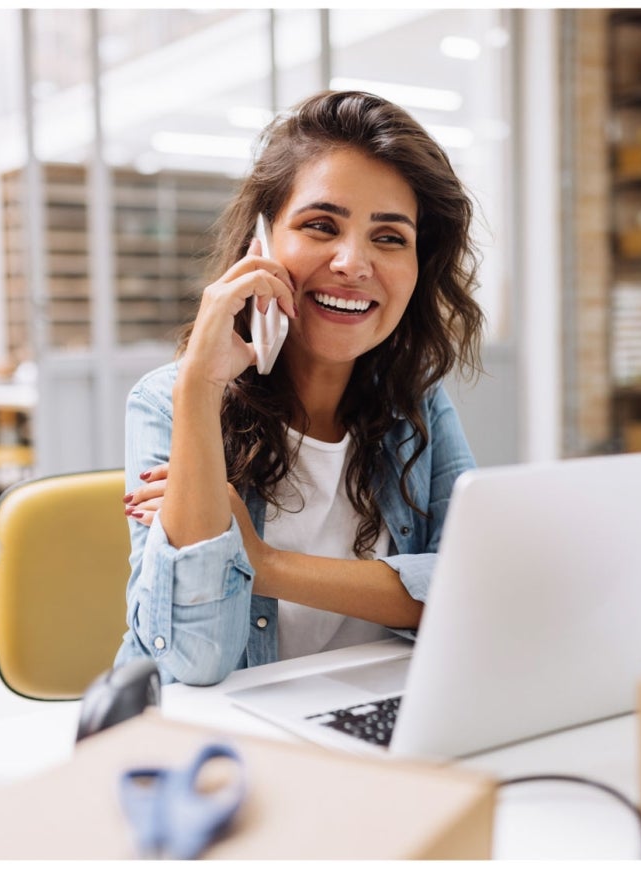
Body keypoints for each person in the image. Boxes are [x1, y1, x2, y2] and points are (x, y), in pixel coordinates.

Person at [114, 90, 484, 686]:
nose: (352, 263)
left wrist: (262, 563)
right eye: (320, 225)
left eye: (389, 238)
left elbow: (468, 593)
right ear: (259, 245)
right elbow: (192, 660)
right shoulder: (169, 400)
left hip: (367, 715)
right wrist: (199, 388)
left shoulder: (414, 404)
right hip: (221, 741)